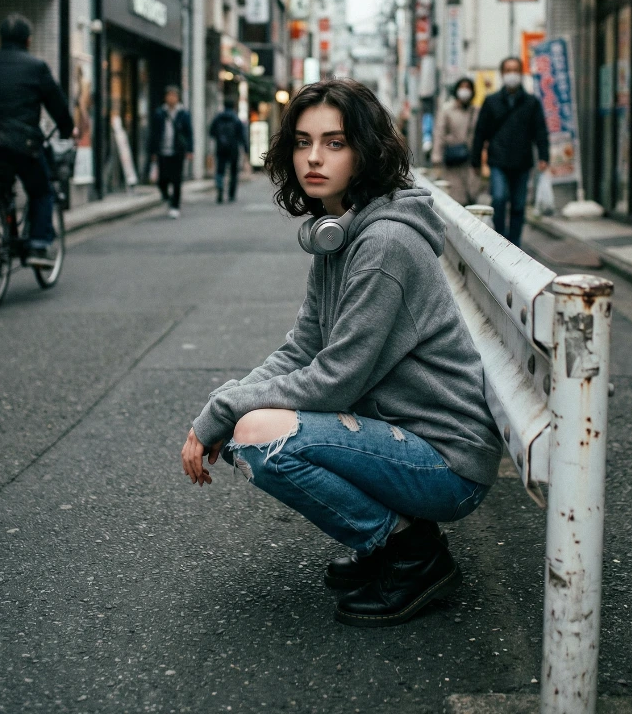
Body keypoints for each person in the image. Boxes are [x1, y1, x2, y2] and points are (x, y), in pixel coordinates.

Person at [182, 79, 502, 628]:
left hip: (448, 461)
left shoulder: (382, 245)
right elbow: (302, 346)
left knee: (261, 438)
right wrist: (229, 400)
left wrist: (226, 410)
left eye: (334, 143)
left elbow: (335, 380)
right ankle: (391, 543)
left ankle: (411, 551)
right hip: (406, 434)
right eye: (303, 142)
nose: (313, 157)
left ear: (365, 150)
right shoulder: (341, 232)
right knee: (249, 422)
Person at [0, 13, 76, 267]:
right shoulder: (36, 68)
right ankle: (38, 244)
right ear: (28, 41)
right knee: (41, 190)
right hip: (22, 144)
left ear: (1, 38)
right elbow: (57, 105)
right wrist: (67, 130)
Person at [471, 56, 549, 248]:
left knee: (519, 205)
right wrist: (475, 159)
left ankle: (514, 245)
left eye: (515, 70)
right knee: (498, 198)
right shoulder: (491, 102)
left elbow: (540, 131)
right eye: (508, 70)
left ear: (520, 74)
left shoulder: (531, 102)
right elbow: (480, 132)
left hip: (522, 161)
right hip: (498, 160)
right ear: (502, 74)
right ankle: (499, 239)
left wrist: (544, 156)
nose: (511, 74)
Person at [431, 76, 481, 206]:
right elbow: (439, 134)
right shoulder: (447, 110)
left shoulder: (476, 111)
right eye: (462, 88)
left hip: (471, 159)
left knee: (472, 192)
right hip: (452, 158)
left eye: (468, 88)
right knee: (455, 195)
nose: (465, 91)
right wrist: (436, 157)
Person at [149, 85, 193, 219]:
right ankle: (167, 197)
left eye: (173, 95)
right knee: (162, 180)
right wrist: (153, 151)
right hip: (162, 151)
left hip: (177, 151)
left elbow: (189, 133)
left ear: (178, 97)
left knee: (177, 179)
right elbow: (154, 134)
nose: (171, 98)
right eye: (169, 95)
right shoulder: (159, 113)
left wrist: (190, 150)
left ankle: (175, 206)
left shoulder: (183, 113)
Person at [209, 98, 249, 203]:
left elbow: (211, 132)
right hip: (233, 149)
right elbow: (242, 136)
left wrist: (219, 139)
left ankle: (220, 189)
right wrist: (246, 151)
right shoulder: (236, 119)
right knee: (233, 172)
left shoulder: (218, 118)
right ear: (233, 107)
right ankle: (231, 194)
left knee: (220, 171)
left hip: (220, 148)